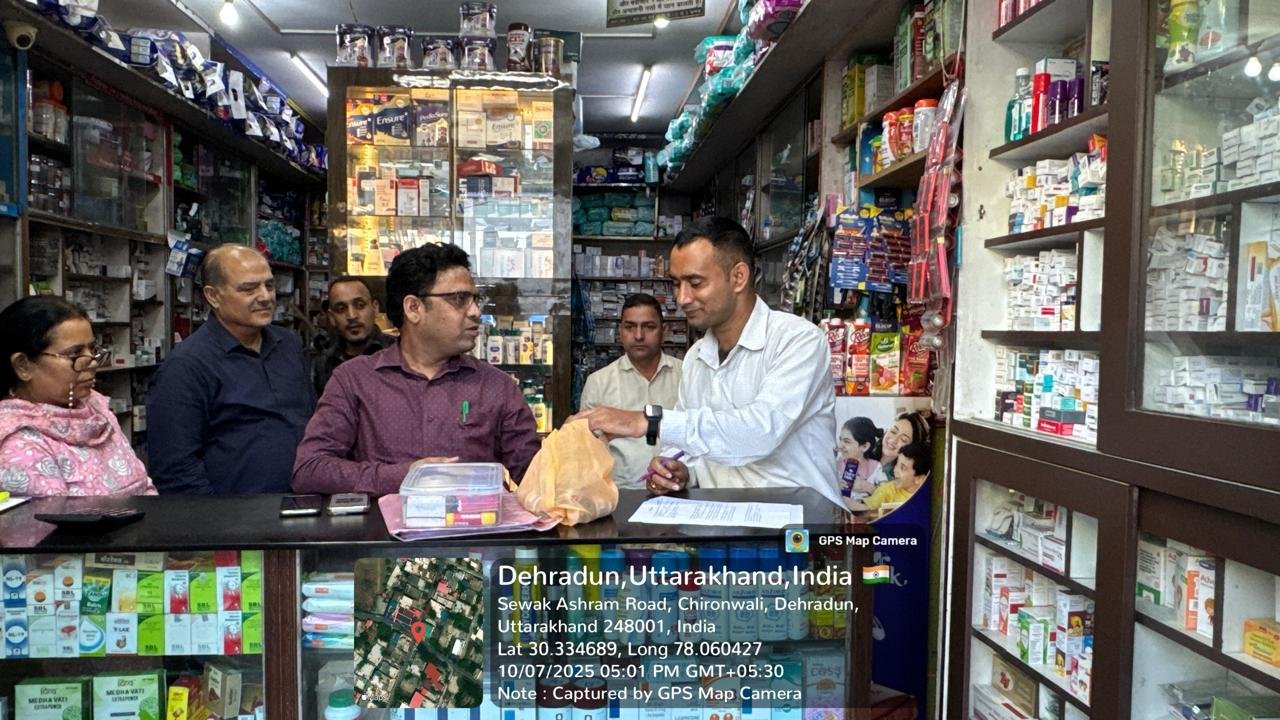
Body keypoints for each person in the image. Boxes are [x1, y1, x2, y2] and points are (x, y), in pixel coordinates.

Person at [568, 217, 842, 507]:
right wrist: (681, 470)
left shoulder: (798, 340)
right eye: (677, 284)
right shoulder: (697, 356)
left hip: (800, 520)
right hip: (725, 519)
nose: (682, 298)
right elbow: (694, 448)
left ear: (738, 277)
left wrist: (647, 421)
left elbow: (760, 432)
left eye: (695, 283)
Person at [292, 243, 542, 495]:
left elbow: (538, 478)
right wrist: (403, 476)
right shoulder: (354, 380)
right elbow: (310, 469)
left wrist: (564, 450)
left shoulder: (496, 386)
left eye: (476, 299)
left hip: (474, 520)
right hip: (384, 521)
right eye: (459, 299)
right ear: (413, 308)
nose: (475, 312)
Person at [147, 244, 315, 494]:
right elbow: (176, 469)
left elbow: (311, 419)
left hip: (303, 502)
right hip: (237, 513)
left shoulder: (288, 344)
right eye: (249, 289)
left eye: (269, 286)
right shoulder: (186, 366)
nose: (265, 297)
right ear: (213, 296)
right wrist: (220, 516)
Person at [0, 296, 154, 496]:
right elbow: (53, 515)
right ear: (23, 365)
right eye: (74, 354)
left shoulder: (97, 410)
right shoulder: (18, 443)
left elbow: (143, 482)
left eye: (92, 349)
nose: (92, 362)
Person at [578, 293, 682, 488]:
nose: (639, 335)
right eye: (630, 327)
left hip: (676, 490)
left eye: (648, 327)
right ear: (620, 331)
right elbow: (587, 451)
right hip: (619, 494)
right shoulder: (599, 382)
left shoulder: (686, 376)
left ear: (664, 330)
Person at [314, 276, 393, 395]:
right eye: (341, 309)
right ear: (332, 317)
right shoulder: (324, 363)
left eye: (360, 305)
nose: (351, 316)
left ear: (375, 308)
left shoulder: (399, 353)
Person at [850, 441, 931, 517]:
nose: (895, 470)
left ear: (919, 478)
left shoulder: (929, 498)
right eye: (897, 464)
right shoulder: (887, 490)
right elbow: (864, 510)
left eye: (903, 468)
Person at [867, 412, 930, 487]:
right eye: (893, 431)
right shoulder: (865, 448)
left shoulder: (899, 477)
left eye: (903, 440)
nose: (894, 440)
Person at [838, 416, 883, 501]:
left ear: (865, 446)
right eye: (840, 440)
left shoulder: (876, 468)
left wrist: (867, 487)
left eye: (847, 441)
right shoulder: (836, 465)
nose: (840, 446)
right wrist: (835, 487)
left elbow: (887, 497)